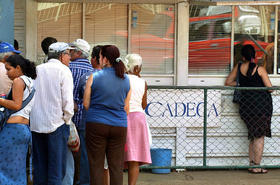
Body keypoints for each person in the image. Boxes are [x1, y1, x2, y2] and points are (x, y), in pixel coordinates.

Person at [83, 45, 131, 185]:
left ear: (105, 59)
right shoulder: (126, 79)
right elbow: (126, 108)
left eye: (100, 56)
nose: (98, 59)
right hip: (119, 126)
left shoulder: (94, 76)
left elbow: (86, 104)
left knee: (96, 164)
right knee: (116, 166)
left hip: (96, 124)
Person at [30, 42, 74, 185]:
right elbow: (68, 101)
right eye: (68, 54)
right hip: (57, 124)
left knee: (40, 167)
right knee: (56, 169)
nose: (70, 57)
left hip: (36, 124)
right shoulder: (64, 71)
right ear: (61, 55)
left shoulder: (37, 69)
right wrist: (67, 120)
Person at [225, 44, 273, 174]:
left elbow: (228, 82)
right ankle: (257, 166)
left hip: (246, 107)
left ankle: (252, 164)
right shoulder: (260, 69)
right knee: (259, 137)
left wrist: (242, 83)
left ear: (243, 56)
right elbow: (270, 88)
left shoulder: (239, 67)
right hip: (261, 107)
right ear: (255, 56)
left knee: (253, 136)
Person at [0, 54, 37, 184]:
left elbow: (16, 105)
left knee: (4, 167)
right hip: (24, 129)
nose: (6, 73)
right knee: (18, 168)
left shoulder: (18, 81)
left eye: (8, 69)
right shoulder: (30, 81)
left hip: (12, 130)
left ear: (18, 68)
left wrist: (1, 100)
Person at [124, 54, 151, 185]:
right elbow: (144, 105)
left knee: (118, 154)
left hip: (123, 117)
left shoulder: (122, 79)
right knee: (134, 158)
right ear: (139, 67)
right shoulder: (143, 82)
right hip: (139, 118)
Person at [69, 38, 94, 185]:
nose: (69, 53)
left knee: (67, 154)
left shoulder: (67, 68)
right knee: (84, 153)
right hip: (85, 118)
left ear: (78, 52)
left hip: (68, 118)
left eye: (71, 50)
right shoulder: (93, 71)